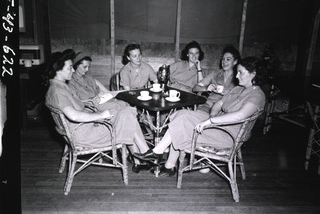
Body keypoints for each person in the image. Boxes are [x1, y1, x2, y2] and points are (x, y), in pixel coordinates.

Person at [134, 56, 267, 176]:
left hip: (228, 134)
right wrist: (212, 116)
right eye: (237, 71)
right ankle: (165, 160)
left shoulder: (257, 95)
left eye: (241, 72)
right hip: (218, 123)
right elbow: (219, 103)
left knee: (183, 123)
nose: (237, 76)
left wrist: (210, 122)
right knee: (180, 114)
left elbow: (240, 116)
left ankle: (160, 155)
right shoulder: (239, 88)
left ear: (253, 74)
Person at [44, 52, 151, 173]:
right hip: (83, 135)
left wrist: (96, 107)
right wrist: (101, 115)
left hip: (83, 128)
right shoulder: (57, 92)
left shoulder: (59, 86)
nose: (72, 71)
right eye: (69, 68)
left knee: (126, 112)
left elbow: (78, 106)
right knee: (126, 115)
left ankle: (143, 154)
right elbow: (73, 115)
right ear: (58, 70)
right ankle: (145, 153)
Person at [193, 46, 241, 113]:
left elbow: (242, 96)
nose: (224, 62)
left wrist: (230, 94)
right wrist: (206, 88)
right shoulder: (216, 73)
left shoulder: (239, 77)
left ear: (235, 62)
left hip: (225, 108)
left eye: (228, 59)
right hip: (208, 105)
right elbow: (195, 88)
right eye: (223, 59)